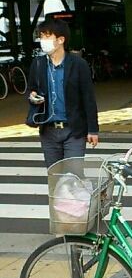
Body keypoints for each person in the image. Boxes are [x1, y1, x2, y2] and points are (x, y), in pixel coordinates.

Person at [26, 17, 99, 168]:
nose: (42, 41)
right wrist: (33, 97)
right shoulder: (38, 64)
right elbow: (32, 89)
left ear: (61, 39)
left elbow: (88, 98)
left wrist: (93, 130)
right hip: (48, 130)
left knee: (74, 176)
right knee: (55, 176)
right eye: (41, 37)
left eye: (47, 36)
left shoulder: (78, 64)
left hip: (74, 130)